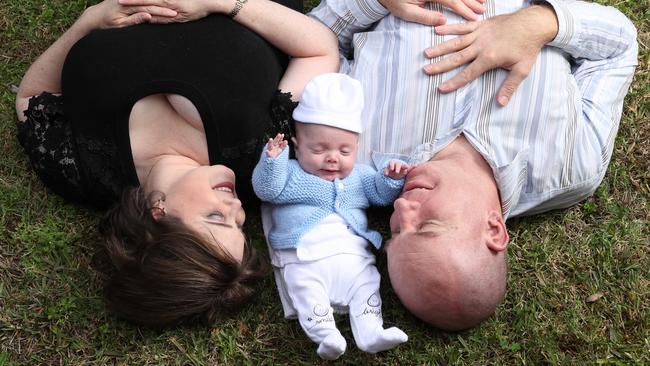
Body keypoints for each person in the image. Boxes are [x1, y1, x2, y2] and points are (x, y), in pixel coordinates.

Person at [309, 0, 638, 330]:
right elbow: (619, 48)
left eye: (395, 231)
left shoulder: (354, 151)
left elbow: (317, 41)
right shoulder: (573, 164)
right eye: (427, 225)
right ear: (494, 229)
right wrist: (541, 23)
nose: (402, 207)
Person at [15, 0, 339, 326]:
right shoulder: (263, 158)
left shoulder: (80, 171)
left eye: (216, 217)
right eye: (239, 224)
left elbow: (30, 99)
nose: (237, 207)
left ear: (158, 213)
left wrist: (90, 20)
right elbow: (319, 51)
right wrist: (223, 3)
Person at [252, 73, 410, 359]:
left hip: (354, 256)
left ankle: (371, 330)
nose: (332, 158)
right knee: (305, 288)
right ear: (297, 145)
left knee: (367, 283)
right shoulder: (290, 172)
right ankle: (325, 335)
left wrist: (390, 178)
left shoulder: (360, 176)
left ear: (356, 149)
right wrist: (272, 161)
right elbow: (266, 190)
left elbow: (380, 195)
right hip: (305, 255)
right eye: (319, 149)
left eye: (344, 150)